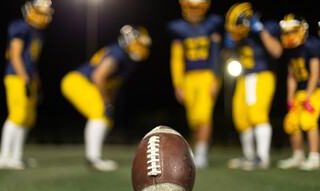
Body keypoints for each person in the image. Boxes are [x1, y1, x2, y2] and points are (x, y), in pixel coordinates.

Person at [61, 25, 152, 172]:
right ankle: (93, 158)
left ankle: (96, 155)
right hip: (78, 81)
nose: (141, 48)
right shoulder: (118, 52)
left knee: (107, 119)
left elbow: (114, 85)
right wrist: (105, 101)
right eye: (138, 43)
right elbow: (98, 76)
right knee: (99, 112)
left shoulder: (129, 62)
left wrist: (110, 104)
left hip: (88, 84)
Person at [0, 0, 54, 170]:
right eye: (40, 12)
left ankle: (16, 156)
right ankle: (4, 156)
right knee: (17, 115)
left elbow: (32, 62)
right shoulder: (20, 26)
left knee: (27, 120)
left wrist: (36, 83)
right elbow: (15, 55)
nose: (43, 16)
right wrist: (25, 79)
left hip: (27, 77)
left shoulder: (38, 34)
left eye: (45, 13)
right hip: (16, 76)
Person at [224, 2, 283, 170]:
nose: (234, 33)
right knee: (240, 116)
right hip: (245, 77)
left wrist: (262, 31)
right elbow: (226, 56)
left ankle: (263, 157)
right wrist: (229, 46)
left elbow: (277, 51)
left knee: (257, 113)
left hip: (262, 74)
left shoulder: (266, 28)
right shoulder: (240, 38)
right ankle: (249, 155)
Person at [166, 0, 223, 169]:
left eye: (198, 7)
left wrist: (215, 79)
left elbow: (216, 55)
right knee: (193, 119)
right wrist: (178, 85)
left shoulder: (213, 25)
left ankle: (201, 154)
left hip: (206, 75)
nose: (194, 11)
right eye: (191, 6)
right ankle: (195, 152)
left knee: (204, 115)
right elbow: (176, 59)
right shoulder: (178, 29)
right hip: (188, 77)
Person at [277, 14, 320, 171]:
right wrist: (290, 98)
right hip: (301, 90)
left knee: (307, 120)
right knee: (291, 122)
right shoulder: (291, 50)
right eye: (286, 32)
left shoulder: (312, 45)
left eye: (292, 31)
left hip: (315, 89)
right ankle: (298, 156)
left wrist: (308, 96)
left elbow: (315, 73)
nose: (289, 36)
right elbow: (291, 76)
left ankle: (315, 158)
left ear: (302, 29)